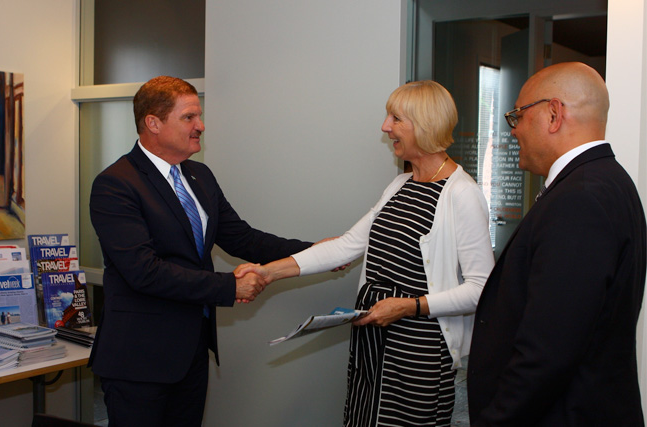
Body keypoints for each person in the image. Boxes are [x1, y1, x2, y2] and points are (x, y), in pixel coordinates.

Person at [237, 80, 495, 426]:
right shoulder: (400, 185)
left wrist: (410, 306)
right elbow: (346, 245)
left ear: (425, 124)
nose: (385, 127)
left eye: (395, 118)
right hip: (373, 339)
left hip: (418, 350)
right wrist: (269, 272)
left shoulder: (461, 194)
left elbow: (481, 288)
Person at [88, 76, 312, 426]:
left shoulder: (200, 176)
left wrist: (317, 253)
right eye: (189, 117)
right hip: (139, 359)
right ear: (153, 123)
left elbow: (243, 239)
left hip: (191, 352)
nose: (201, 126)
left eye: (199, 116)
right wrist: (229, 287)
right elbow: (144, 271)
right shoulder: (116, 184)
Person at [467, 62, 647, 426]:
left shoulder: (579, 199)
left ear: (553, 113)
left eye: (517, 116)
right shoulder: (608, 181)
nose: (513, 130)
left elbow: (547, 353)